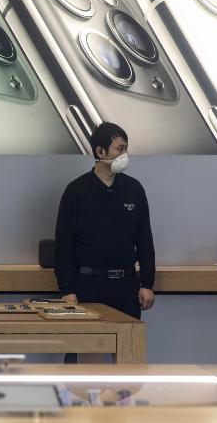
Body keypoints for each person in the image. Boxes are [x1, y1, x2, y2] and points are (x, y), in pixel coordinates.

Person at [54, 122, 156, 328]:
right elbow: (63, 244)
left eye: (126, 148)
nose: (124, 154)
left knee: (129, 352)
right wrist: (67, 289)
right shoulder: (76, 191)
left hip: (126, 285)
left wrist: (147, 284)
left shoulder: (134, 189)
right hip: (87, 285)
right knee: (81, 353)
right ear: (100, 151)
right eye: (120, 148)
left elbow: (145, 239)